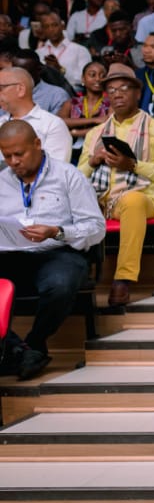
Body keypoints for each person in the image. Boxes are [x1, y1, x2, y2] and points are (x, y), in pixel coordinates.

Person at [0, 121, 105, 379]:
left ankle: (35, 342)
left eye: (19, 154)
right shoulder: (1, 181)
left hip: (58, 252)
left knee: (60, 284)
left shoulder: (69, 176)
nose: (13, 162)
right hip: (11, 255)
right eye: (6, 156)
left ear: (37, 144)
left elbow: (96, 228)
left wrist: (57, 231)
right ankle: (17, 349)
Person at [77, 64, 154, 308]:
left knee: (132, 200)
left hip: (142, 199)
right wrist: (93, 161)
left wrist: (133, 165)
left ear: (138, 93)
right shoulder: (96, 134)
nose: (118, 94)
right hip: (101, 199)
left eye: (124, 88)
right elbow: (76, 178)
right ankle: (77, 279)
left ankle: (122, 279)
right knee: (68, 202)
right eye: (112, 90)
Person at [0, 67, 73, 162]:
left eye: (0, 88)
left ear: (20, 89)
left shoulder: (52, 125)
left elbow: (56, 168)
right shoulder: (1, 121)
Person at [58, 60, 110, 150]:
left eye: (102, 76)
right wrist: (94, 120)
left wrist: (75, 133)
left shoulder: (110, 104)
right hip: (70, 150)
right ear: (83, 79)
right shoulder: (72, 103)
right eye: (92, 75)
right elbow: (59, 122)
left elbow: (108, 128)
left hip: (99, 150)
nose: (98, 79)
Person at [34, 11, 91, 91]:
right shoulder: (38, 53)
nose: (51, 29)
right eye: (46, 27)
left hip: (72, 92)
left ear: (62, 26)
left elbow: (85, 79)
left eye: (55, 25)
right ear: (43, 29)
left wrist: (60, 69)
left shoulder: (80, 50)